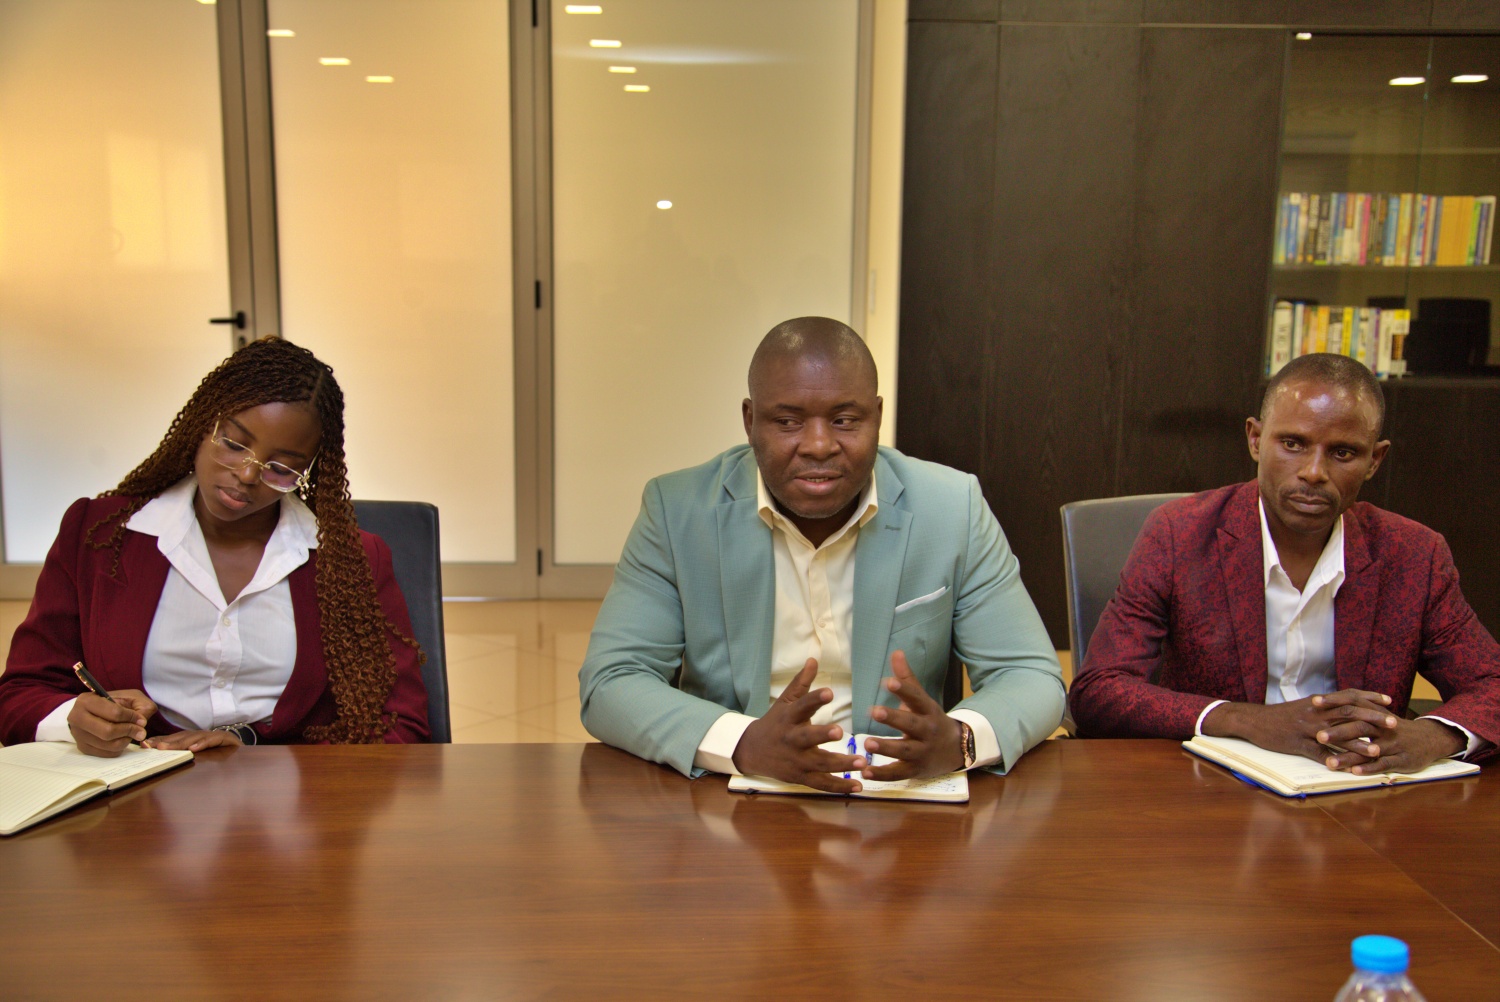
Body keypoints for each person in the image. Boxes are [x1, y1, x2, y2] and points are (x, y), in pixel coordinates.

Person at [579, 317, 1064, 791]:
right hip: (736, 793)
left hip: (899, 795)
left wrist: (961, 741)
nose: (817, 445)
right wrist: (742, 742)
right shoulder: (677, 512)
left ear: (877, 417)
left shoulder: (952, 508)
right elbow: (611, 680)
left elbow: (1032, 676)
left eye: (844, 420)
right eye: (787, 421)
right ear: (750, 421)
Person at [1069, 353, 1499, 773]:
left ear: (1374, 460)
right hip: (1212, 784)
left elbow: (1491, 683)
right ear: (1255, 439)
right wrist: (1246, 720)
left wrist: (1435, 736)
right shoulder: (1179, 533)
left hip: (1356, 787)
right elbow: (1098, 690)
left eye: (1343, 453)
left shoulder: (1414, 555)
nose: (1313, 472)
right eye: (1293, 444)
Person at [0, 336, 430, 754]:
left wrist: (251, 748)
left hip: (286, 797)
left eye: (281, 468)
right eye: (234, 443)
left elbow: (400, 725)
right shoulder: (98, 533)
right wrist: (71, 717)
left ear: (308, 473)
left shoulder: (351, 560)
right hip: (133, 789)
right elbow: (19, 694)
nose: (247, 475)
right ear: (203, 423)